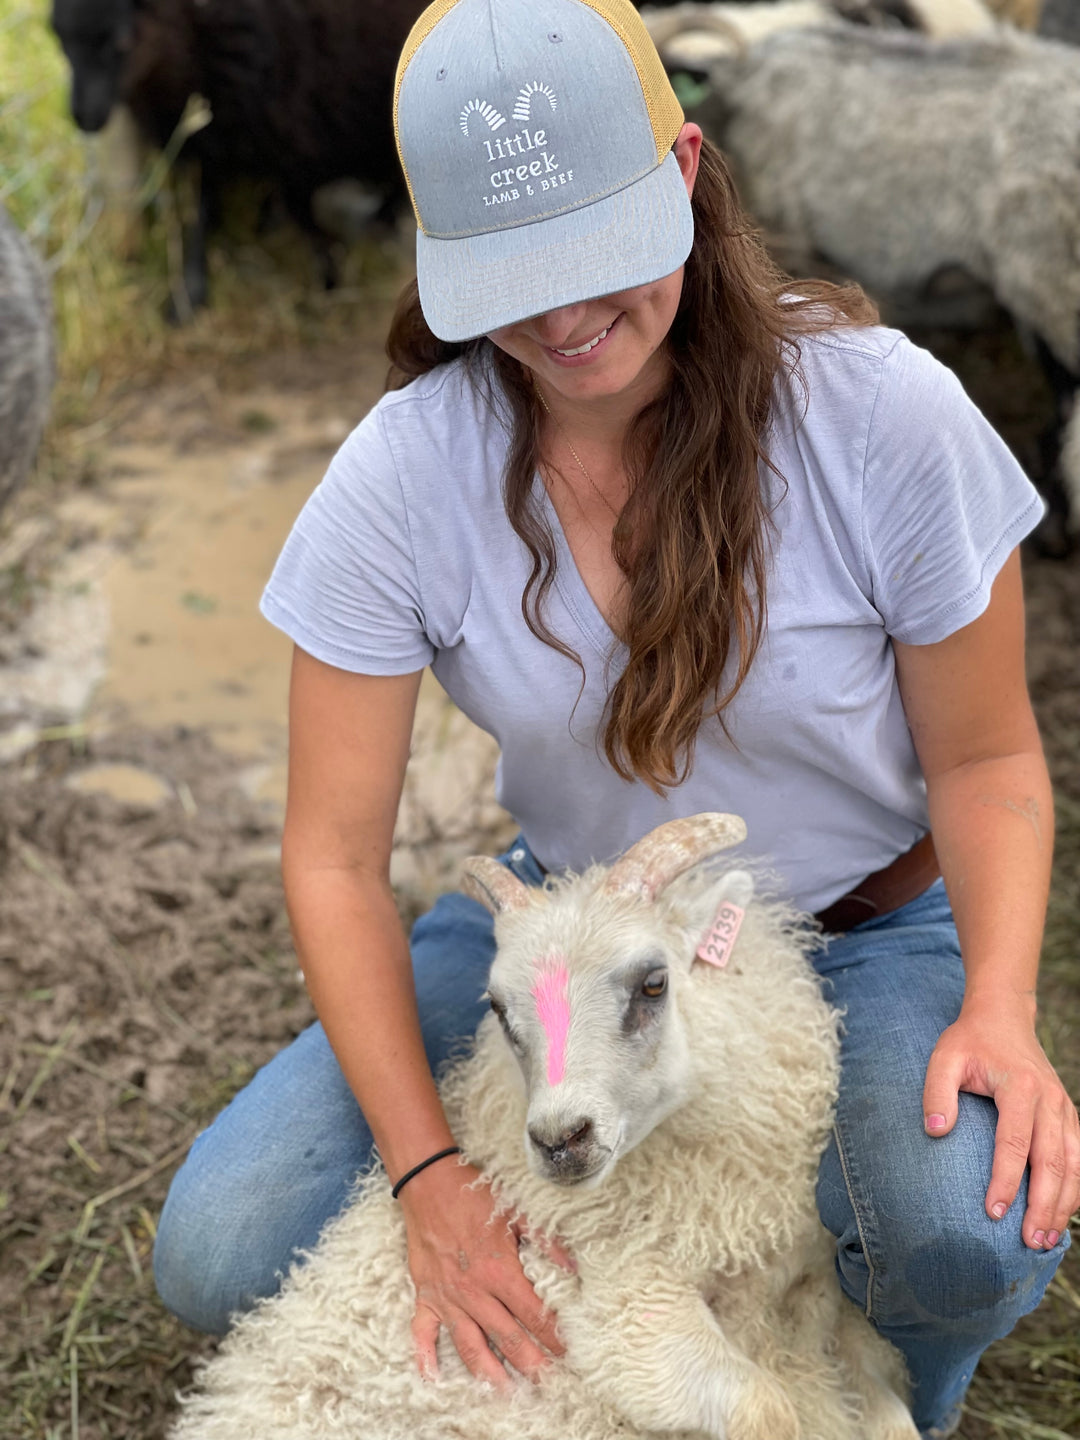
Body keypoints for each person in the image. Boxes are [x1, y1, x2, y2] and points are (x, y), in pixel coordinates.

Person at [152, 1, 1079, 1435]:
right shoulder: (411, 472)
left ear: (688, 168)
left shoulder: (879, 415)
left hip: (861, 914)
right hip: (571, 922)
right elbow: (333, 858)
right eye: (513, 274)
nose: (565, 317)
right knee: (221, 1249)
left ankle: (897, 1394)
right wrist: (429, 1177)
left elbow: (989, 757)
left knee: (956, 1232)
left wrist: (1004, 1013)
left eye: (597, 252)